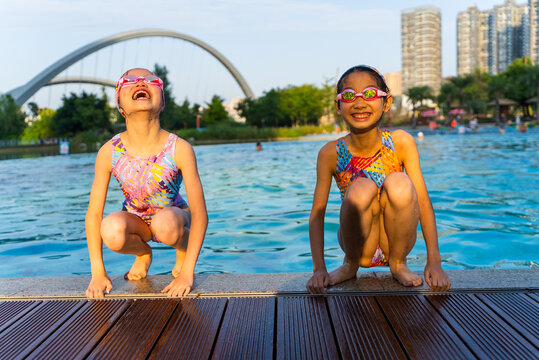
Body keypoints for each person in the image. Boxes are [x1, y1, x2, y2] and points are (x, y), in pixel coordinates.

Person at [306, 65, 450, 294]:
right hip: (359, 244)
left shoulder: (401, 142)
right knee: (362, 187)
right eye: (350, 95)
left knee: (399, 183)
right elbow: (317, 213)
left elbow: (422, 201)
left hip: (396, 241)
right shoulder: (330, 153)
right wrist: (318, 269)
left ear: (387, 102)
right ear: (338, 105)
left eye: (371, 94)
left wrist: (434, 261)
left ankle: (398, 264)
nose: (360, 103)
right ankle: (350, 265)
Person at [85, 68, 208, 298]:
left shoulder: (179, 149)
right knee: (110, 229)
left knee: (165, 223)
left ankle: (181, 250)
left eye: (152, 80)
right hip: (136, 221)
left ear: (162, 103)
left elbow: (200, 213)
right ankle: (143, 253)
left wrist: (187, 273)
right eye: (130, 81)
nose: (141, 83)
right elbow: (94, 215)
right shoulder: (109, 152)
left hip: (174, 216)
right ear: (120, 106)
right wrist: (97, 272)